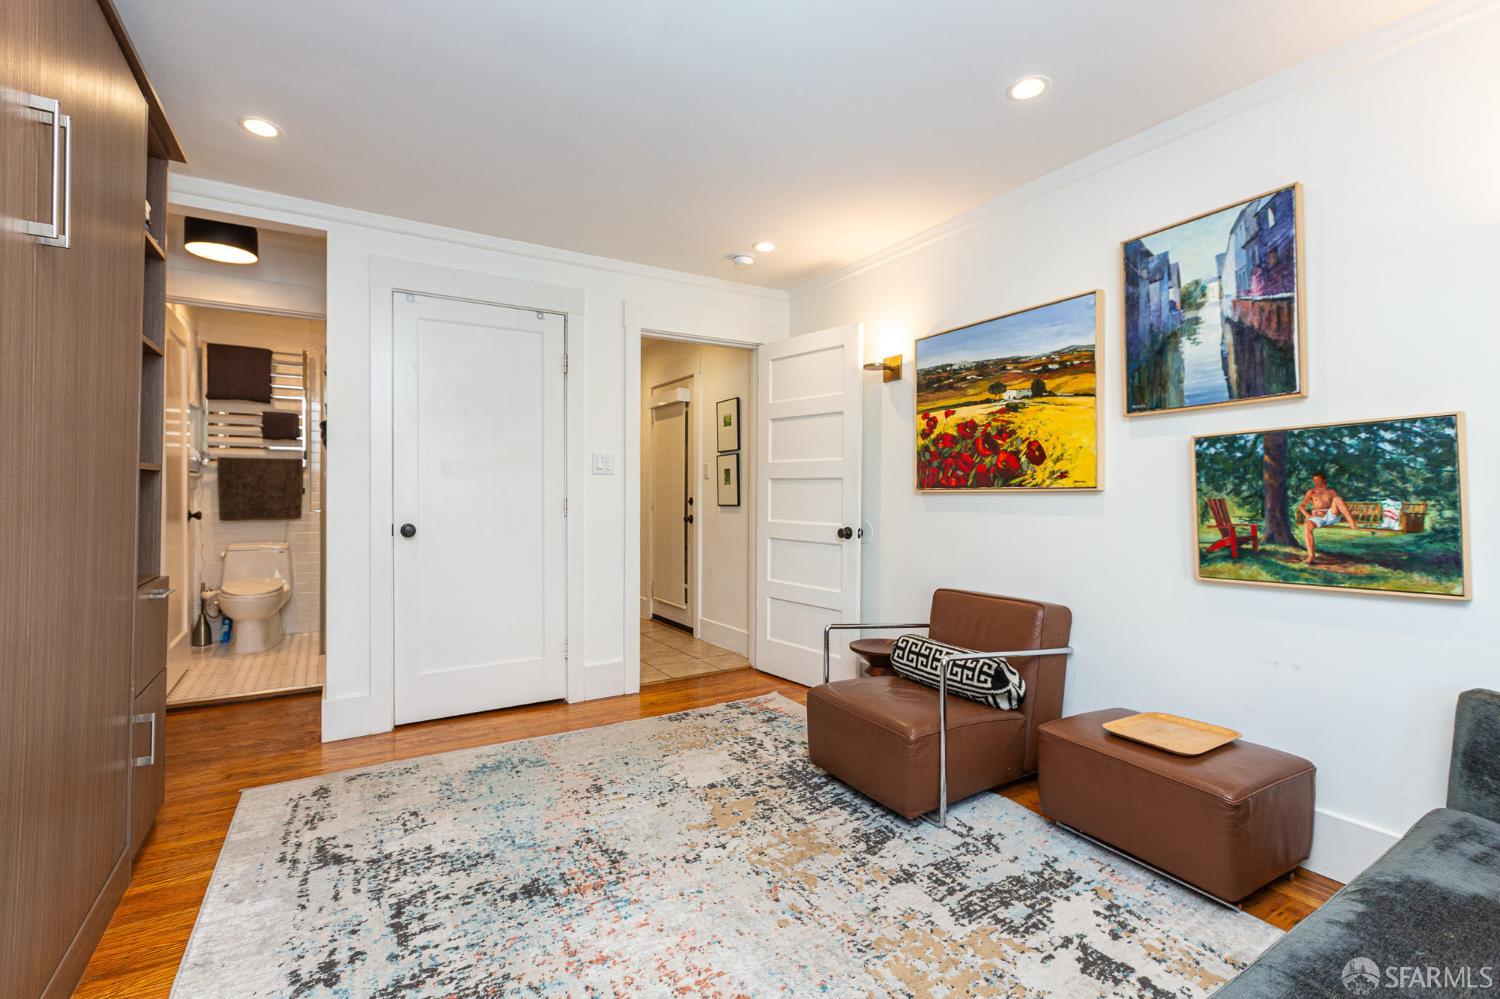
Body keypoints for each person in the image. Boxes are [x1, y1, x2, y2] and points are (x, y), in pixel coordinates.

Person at [1297, 471, 1360, 565]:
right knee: (1308, 526)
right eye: (1314, 480)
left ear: (1324, 480)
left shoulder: (1331, 491)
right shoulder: (1312, 492)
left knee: (1337, 499)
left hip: (1330, 515)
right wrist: (1308, 516)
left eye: (1318, 480)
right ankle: (1311, 556)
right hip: (1317, 517)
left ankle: (1351, 522)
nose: (1316, 482)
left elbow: (1339, 504)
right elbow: (1301, 506)